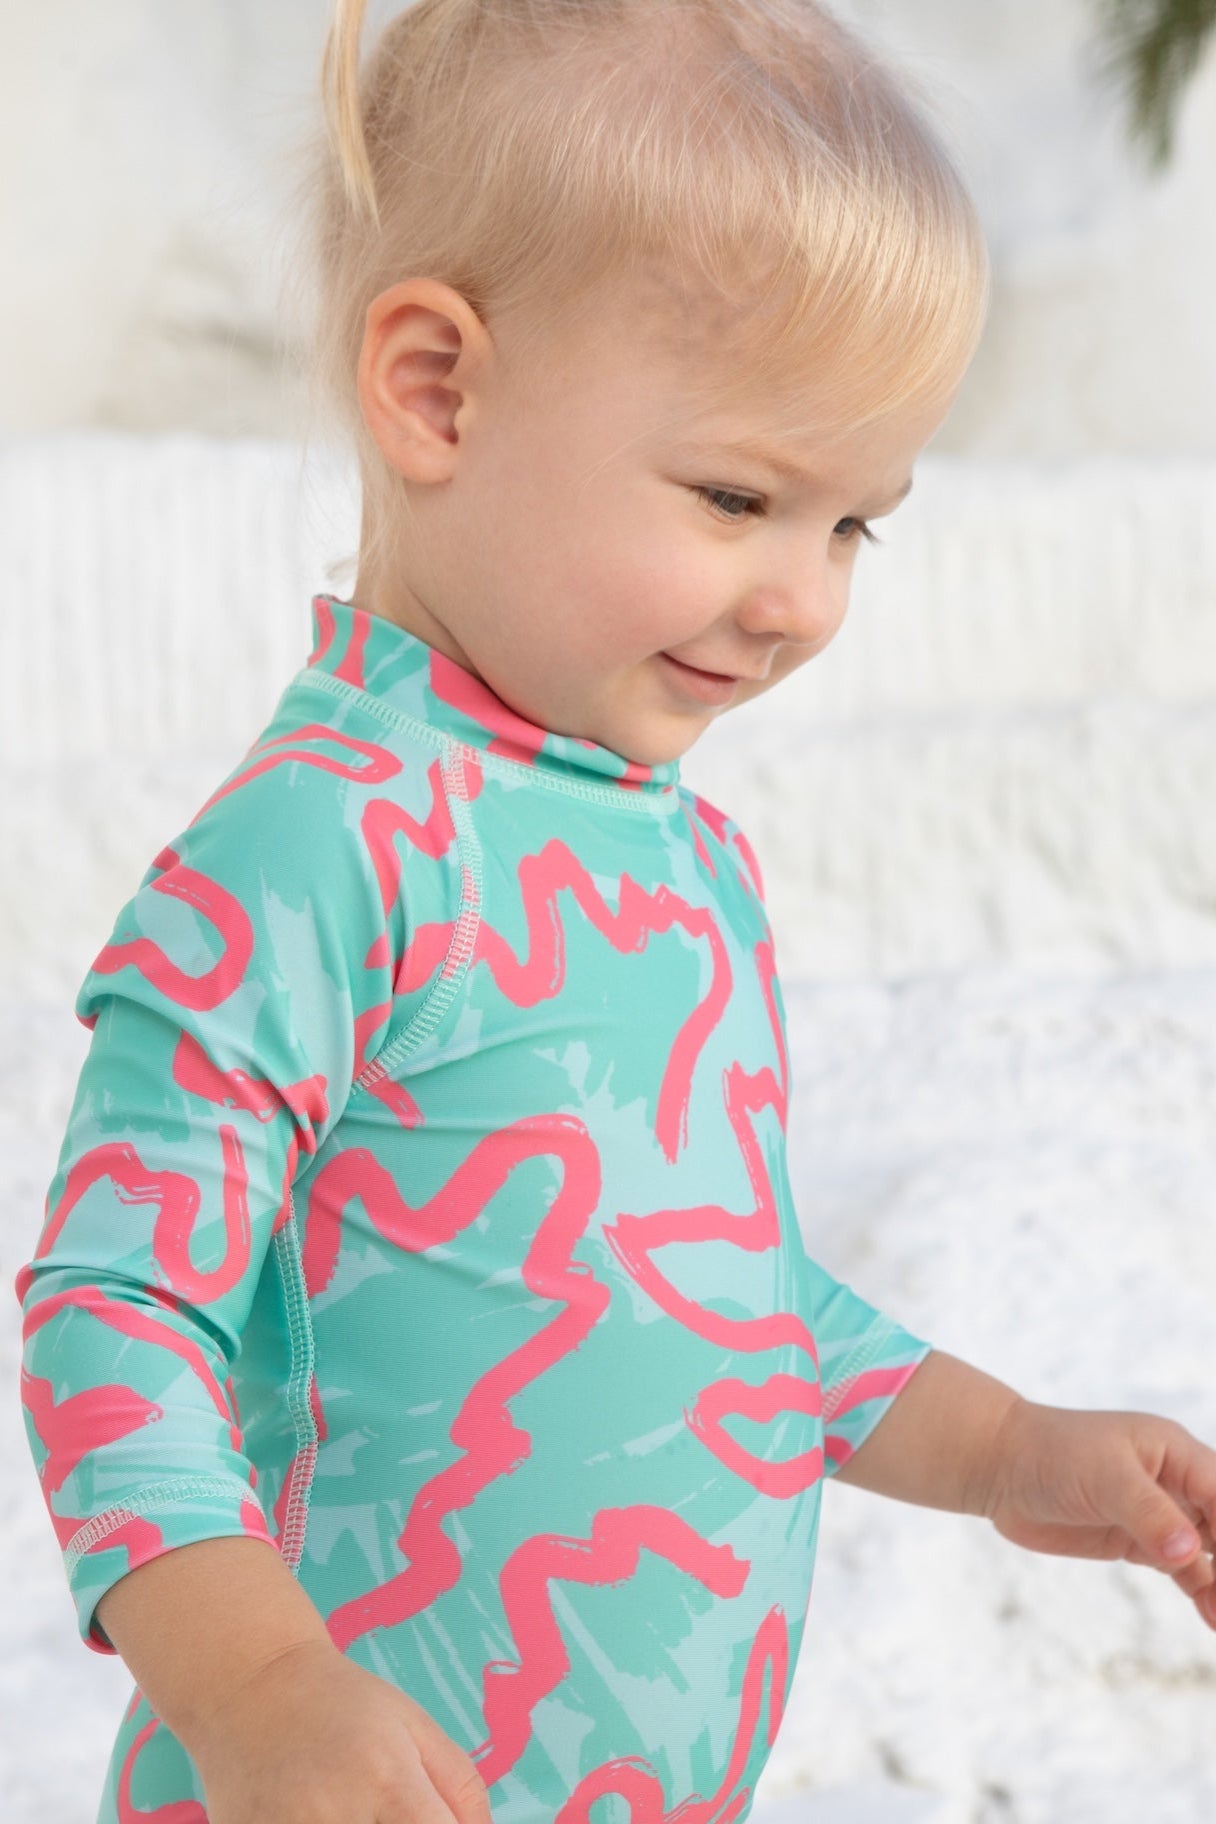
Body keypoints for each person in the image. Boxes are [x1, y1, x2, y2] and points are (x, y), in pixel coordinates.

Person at [17, 1, 1216, 1820]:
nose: (806, 600)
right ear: (437, 391)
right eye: (740, 496)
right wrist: (256, 1689)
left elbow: (725, 1301)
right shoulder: (324, 844)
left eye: (853, 526)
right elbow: (113, 1307)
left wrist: (1003, 1451)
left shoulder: (685, 863)